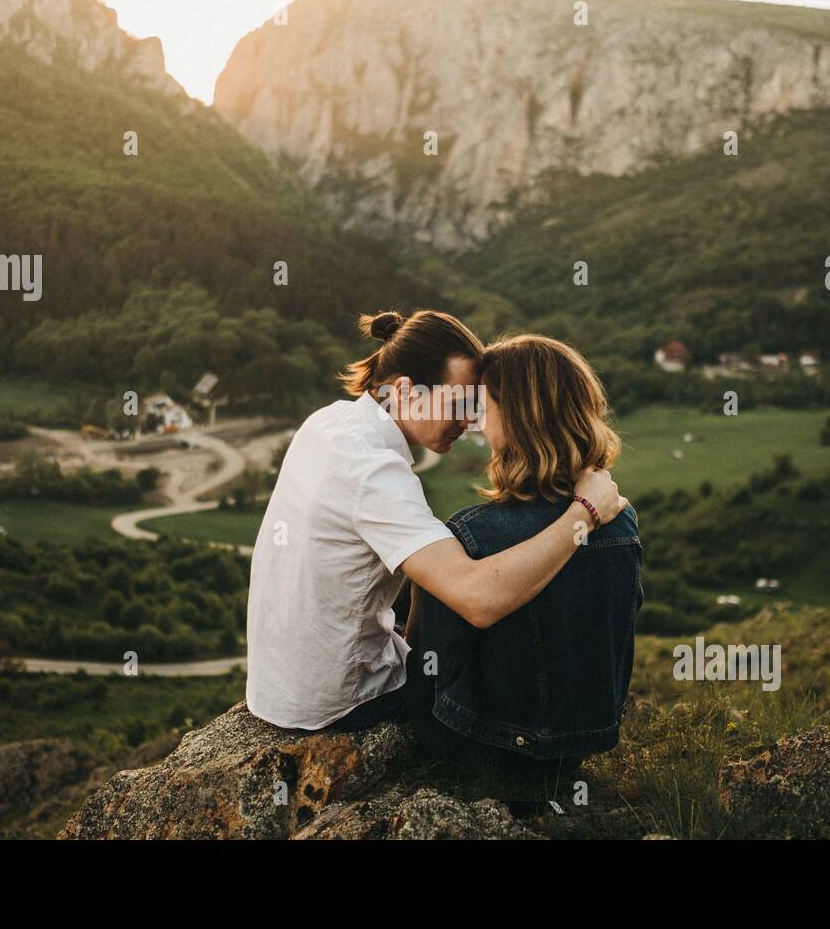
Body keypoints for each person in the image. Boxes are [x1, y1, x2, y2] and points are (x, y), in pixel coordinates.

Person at [245, 310, 627, 731]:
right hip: (341, 703)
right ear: (405, 390)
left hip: (278, 686)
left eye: (475, 406)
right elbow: (479, 600)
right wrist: (584, 512)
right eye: (457, 403)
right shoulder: (373, 472)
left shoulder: (329, 422)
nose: (467, 422)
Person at [406, 334, 643, 764]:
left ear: (516, 417)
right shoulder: (622, 522)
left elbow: (426, 673)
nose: (476, 422)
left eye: (484, 407)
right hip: (578, 749)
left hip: (478, 752)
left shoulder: (471, 536)